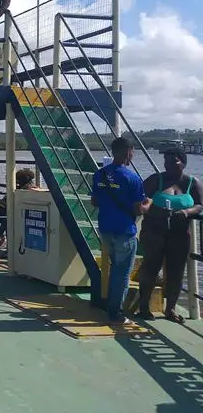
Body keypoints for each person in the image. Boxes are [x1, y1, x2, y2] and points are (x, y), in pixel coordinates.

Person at [90, 137, 152, 325]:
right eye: (132, 151)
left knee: (114, 268)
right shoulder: (132, 178)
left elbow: (94, 201)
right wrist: (149, 204)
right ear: (128, 152)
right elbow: (137, 209)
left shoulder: (99, 174)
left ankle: (109, 304)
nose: (132, 154)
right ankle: (115, 313)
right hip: (124, 231)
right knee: (122, 273)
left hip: (105, 229)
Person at [138, 147, 203, 323]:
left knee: (176, 272)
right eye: (165, 160)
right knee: (150, 269)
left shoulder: (192, 182)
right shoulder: (155, 180)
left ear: (182, 162)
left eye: (172, 160)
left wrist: (187, 212)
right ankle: (144, 306)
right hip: (155, 232)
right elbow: (140, 199)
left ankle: (170, 309)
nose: (167, 164)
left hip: (180, 234)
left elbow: (200, 205)